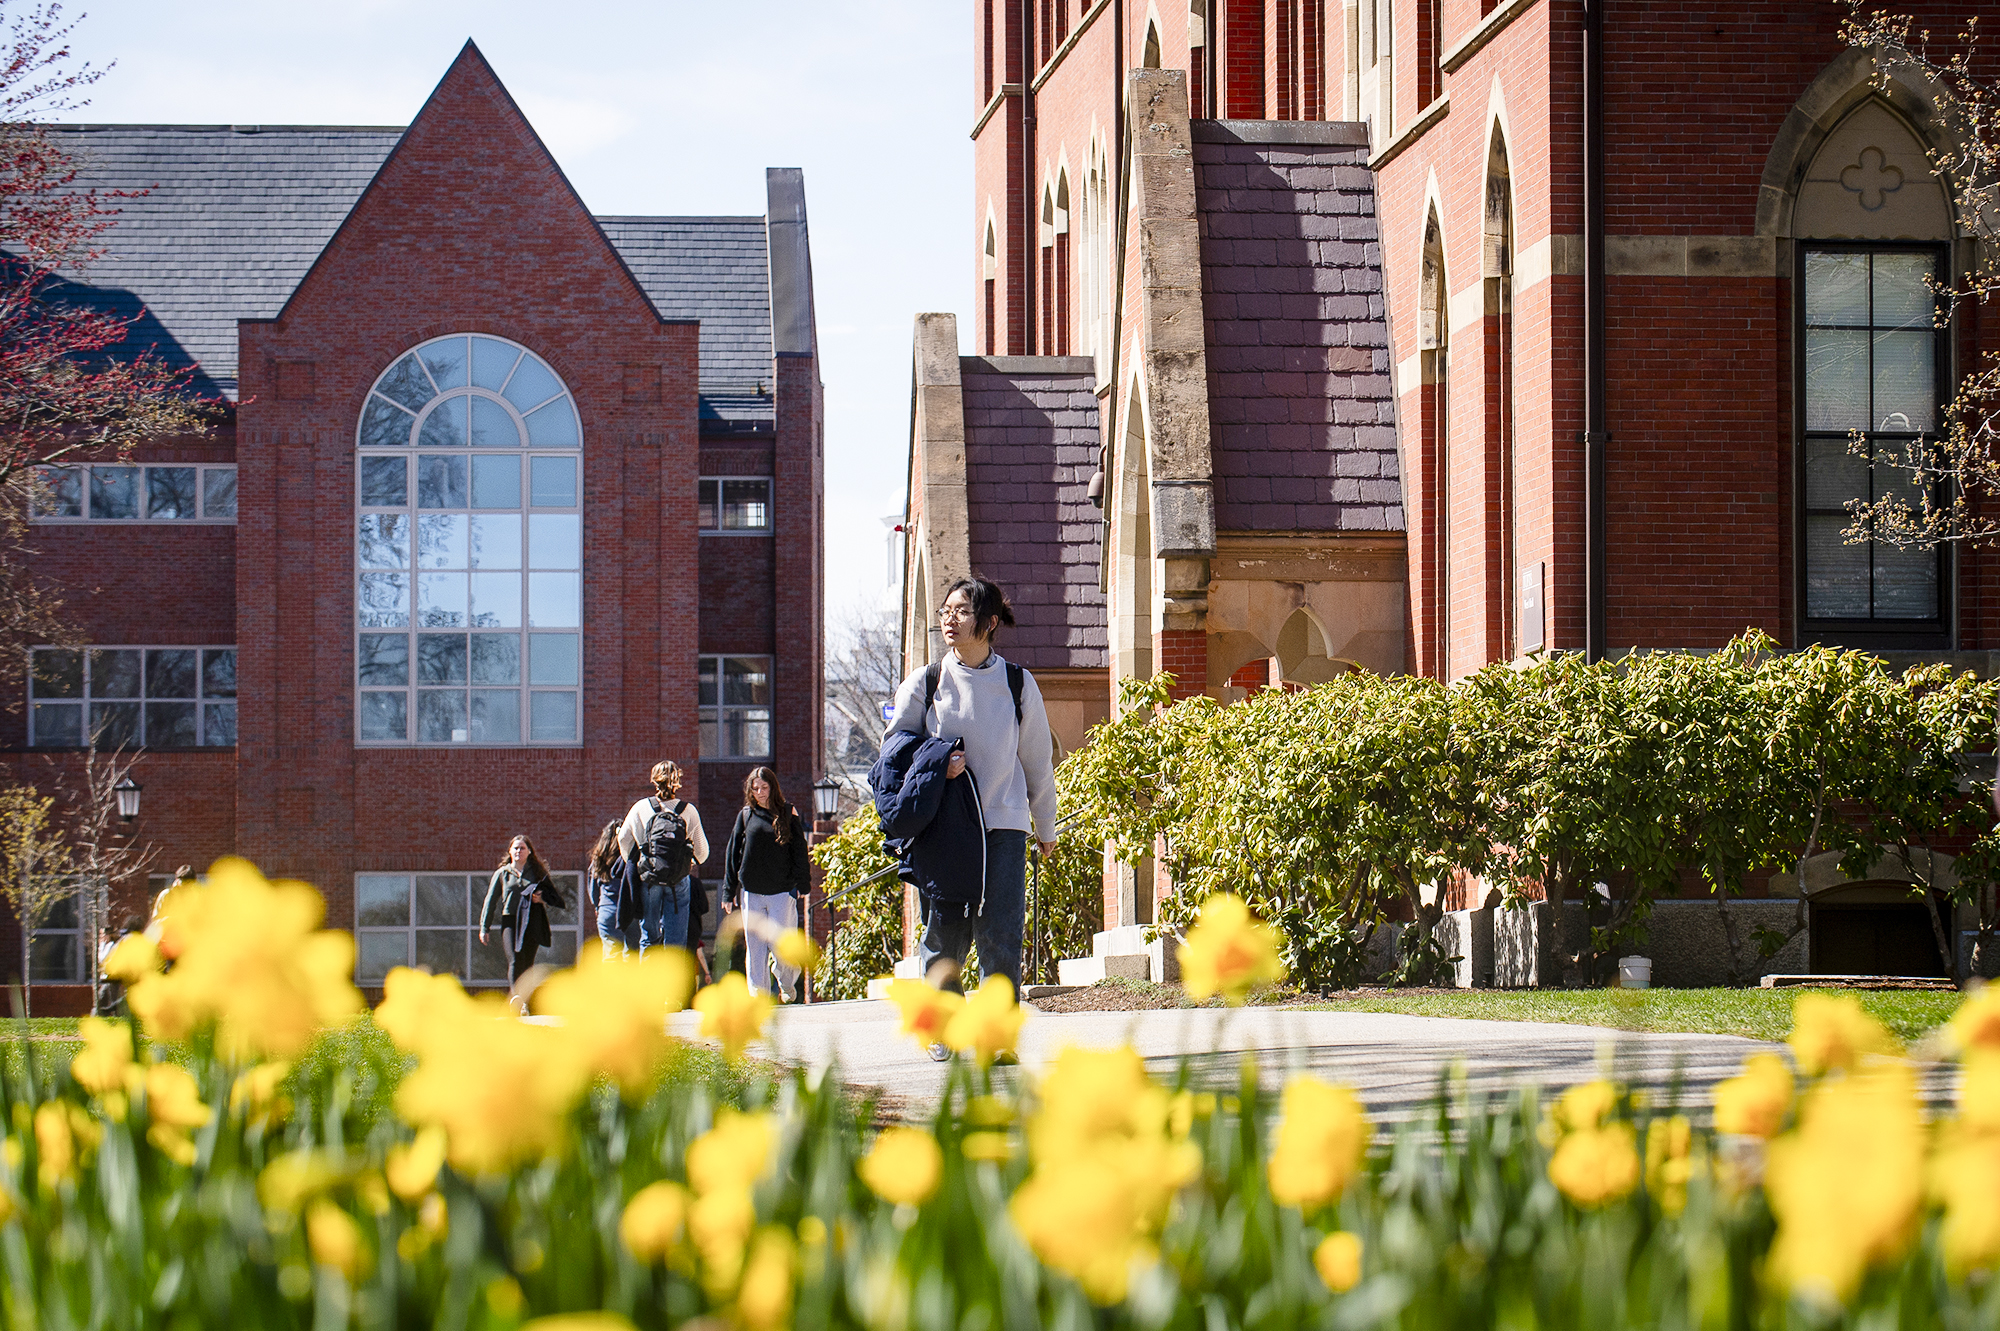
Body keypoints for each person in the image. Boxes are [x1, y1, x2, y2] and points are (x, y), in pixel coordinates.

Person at [881, 576, 1058, 1056]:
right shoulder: (927, 681)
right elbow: (894, 748)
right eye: (945, 611)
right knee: (946, 928)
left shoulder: (1017, 683)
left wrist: (1045, 825)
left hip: (1002, 824)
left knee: (1001, 931)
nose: (948, 619)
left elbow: (1037, 759)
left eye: (960, 611)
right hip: (947, 827)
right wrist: (939, 761)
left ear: (989, 622)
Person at [722, 766, 812, 999]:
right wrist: (727, 891)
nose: (760, 793)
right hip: (752, 892)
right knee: (755, 950)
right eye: (755, 789)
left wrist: (803, 883)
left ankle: (786, 983)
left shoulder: (788, 812)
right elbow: (733, 854)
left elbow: (799, 851)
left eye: (764, 787)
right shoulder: (745, 816)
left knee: (782, 948)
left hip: (781, 891)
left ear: (773, 788)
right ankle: (758, 998)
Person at [617, 760, 707, 958]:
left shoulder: (640, 807)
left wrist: (638, 860)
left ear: (654, 780)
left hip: (650, 879)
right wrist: (687, 863)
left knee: (649, 938)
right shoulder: (688, 810)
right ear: (677, 782)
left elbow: (623, 839)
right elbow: (703, 852)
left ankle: (647, 987)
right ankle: (673, 986)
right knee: (676, 942)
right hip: (678, 881)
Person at [478, 834, 566, 999]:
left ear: (529, 852)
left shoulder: (537, 873)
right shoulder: (502, 874)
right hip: (510, 921)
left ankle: (527, 1000)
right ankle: (516, 998)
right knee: (515, 958)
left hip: (531, 921)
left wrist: (541, 898)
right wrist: (484, 927)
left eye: (522, 848)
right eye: (515, 848)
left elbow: (557, 899)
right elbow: (490, 902)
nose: (519, 851)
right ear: (510, 851)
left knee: (527, 963)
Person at [586, 821, 640, 960]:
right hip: (629, 910)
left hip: (607, 909)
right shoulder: (629, 858)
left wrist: (598, 906)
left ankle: (610, 982)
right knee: (632, 956)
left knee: (611, 955)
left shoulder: (598, 859)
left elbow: (593, 888)